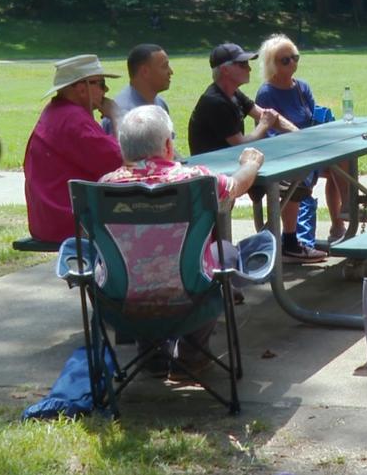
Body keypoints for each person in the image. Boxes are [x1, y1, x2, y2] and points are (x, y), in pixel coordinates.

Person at [100, 105, 264, 379]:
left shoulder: (105, 186)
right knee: (225, 252)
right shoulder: (195, 180)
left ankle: (150, 354)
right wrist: (251, 164)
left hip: (122, 303)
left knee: (137, 262)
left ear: (124, 149)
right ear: (167, 144)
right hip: (190, 299)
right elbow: (235, 186)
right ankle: (192, 354)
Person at [187, 42, 321, 261]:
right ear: (225, 70)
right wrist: (264, 125)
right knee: (291, 182)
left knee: (298, 179)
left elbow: (268, 115)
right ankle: (248, 252)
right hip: (216, 178)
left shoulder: (234, 94)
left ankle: (287, 243)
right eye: (242, 64)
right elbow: (241, 143)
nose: (249, 68)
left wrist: (299, 134)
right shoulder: (215, 102)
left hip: (236, 168)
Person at [255, 34, 350, 247]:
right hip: (285, 154)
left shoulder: (302, 87)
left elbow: (312, 120)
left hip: (310, 148)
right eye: (285, 60)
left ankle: (342, 217)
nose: (292, 63)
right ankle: (290, 240)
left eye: (295, 57)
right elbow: (268, 133)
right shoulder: (266, 92)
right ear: (272, 64)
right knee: (303, 174)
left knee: (343, 161)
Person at [23, 55, 123, 242]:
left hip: (47, 221)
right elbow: (122, 162)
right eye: (100, 84)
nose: (106, 90)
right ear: (81, 88)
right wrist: (116, 117)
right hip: (71, 222)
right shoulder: (74, 120)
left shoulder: (56, 111)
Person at [101, 43, 173, 135]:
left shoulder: (160, 103)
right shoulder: (124, 112)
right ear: (145, 72)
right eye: (164, 66)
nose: (171, 72)